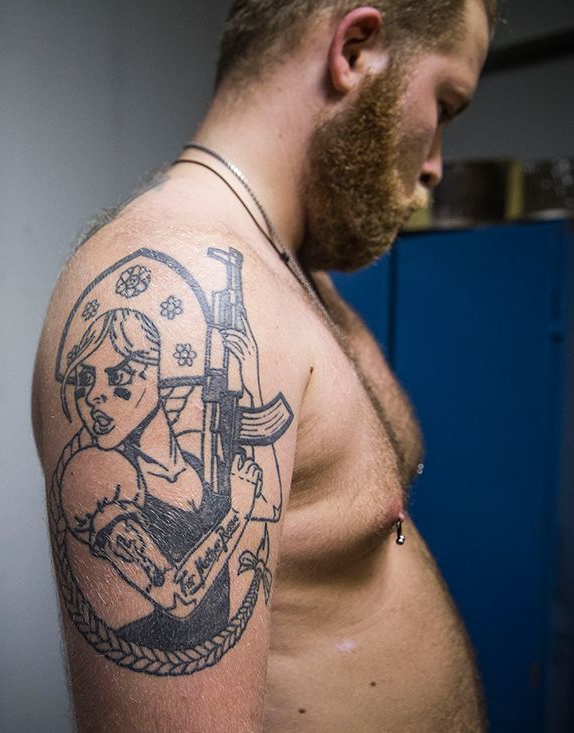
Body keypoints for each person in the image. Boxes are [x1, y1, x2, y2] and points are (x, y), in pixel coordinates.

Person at [32, 0, 495, 729]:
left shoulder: (298, 274)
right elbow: (176, 598)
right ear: (355, 50)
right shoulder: (184, 270)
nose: (435, 163)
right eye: (445, 102)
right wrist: (235, 516)